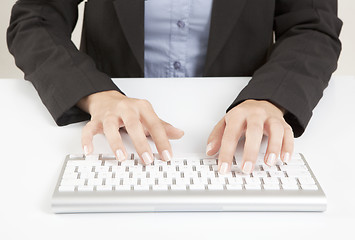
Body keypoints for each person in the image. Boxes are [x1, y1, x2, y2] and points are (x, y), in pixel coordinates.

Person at [7, 0, 342, 175]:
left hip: (238, 128)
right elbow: (35, 19)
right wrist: (95, 94)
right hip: (110, 126)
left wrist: (271, 99)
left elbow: (312, 26)